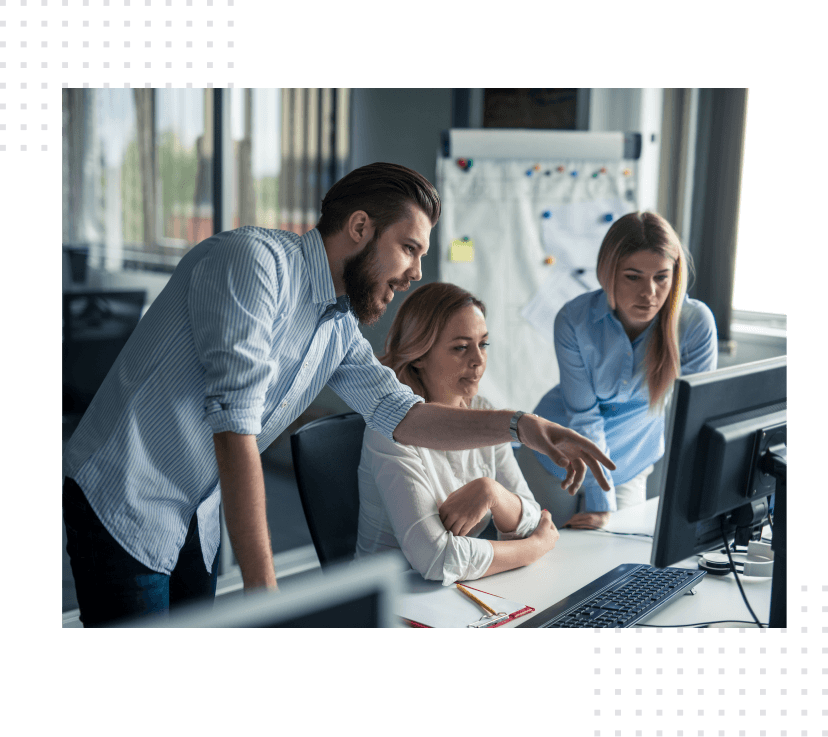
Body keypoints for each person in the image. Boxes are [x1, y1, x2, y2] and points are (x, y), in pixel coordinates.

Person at [62, 162, 616, 627]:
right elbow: (236, 430)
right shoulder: (253, 265)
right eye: (408, 248)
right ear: (358, 227)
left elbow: (406, 416)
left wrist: (522, 425)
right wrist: (266, 596)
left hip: (197, 507)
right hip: (127, 494)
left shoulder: (336, 326)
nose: (415, 273)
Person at [517, 211, 717, 531]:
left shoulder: (694, 324)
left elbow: (694, 420)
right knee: (541, 553)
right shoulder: (574, 319)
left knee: (619, 560)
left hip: (629, 464)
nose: (649, 293)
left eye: (661, 277)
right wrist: (599, 503)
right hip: (556, 456)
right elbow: (585, 416)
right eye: (633, 276)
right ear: (608, 273)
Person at [355, 283, 561, 585]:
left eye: (484, 344)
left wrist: (491, 492)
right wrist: (534, 549)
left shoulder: (483, 411)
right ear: (418, 355)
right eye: (461, 347)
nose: (478, 360)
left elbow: (530, 518)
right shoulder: (389, 429)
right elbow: (437, 558)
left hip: (454, 593)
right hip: (390, 601)